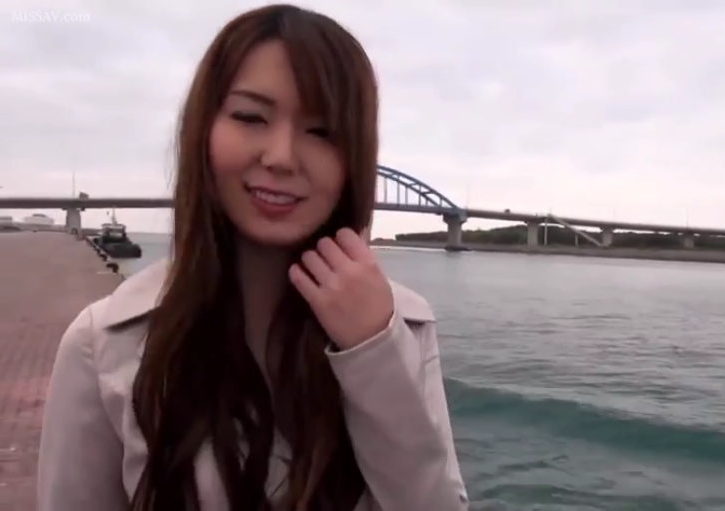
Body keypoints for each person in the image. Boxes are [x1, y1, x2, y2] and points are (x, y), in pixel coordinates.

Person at [36, 4, 468, 511]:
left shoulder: (401, 326)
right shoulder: (101, 344)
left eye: (322, 132)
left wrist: (372, 351)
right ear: (203, 130)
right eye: (250, 117)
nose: (281, 157)